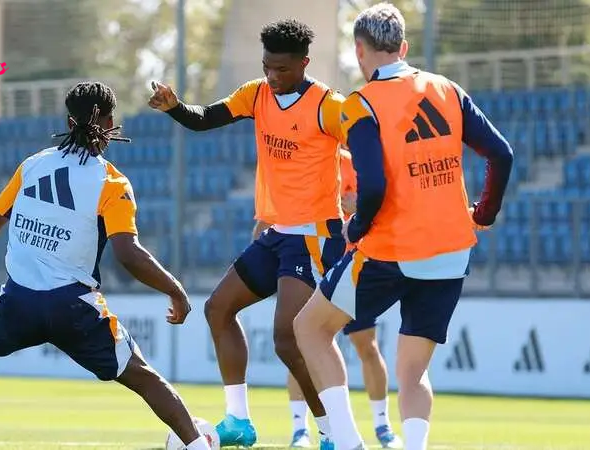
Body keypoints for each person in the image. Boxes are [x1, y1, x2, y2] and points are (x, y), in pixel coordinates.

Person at [0, 81, 210, 450]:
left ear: (69, 122)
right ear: (113, 122)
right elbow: (128, 254)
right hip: (74, 308)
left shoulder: (33, 166)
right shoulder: (113, 182)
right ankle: (197, 445)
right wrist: (175, 289)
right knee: (142, 376)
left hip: (18, 303)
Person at [293, 3, 514, 450]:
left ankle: (349, 441)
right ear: (404, 47)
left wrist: (356, 226)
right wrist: (483, 215)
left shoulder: (361, 104)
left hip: (390, 249)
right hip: (451, 250)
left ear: (360, 50)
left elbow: (371, 184)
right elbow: (501, 154)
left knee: (310, 329)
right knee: (413, 372)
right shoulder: (447, 89)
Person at [148, 19, 345, 449]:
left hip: (313, 236)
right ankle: (238, 421)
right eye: (267, 67)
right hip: (276, 233)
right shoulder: (256, 94)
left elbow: (365, 141)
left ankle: (334, 434)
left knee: (289, 338)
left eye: (282, 69)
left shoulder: (328, 105)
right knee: (218, 309)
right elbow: (205, 119)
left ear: (304, 63)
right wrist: (175, 107)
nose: (273, 76)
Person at [277, 148, 401, 449]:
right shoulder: (306, 161)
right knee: (302, 345)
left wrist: (356, 207)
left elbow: (378, 203)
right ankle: (301, 430)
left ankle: (382, 425)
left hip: (353, 264)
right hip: (314, 260)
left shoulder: (355, 162)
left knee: (366, 346)